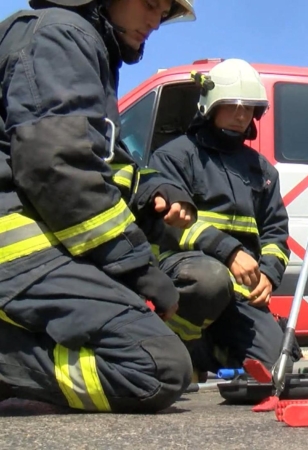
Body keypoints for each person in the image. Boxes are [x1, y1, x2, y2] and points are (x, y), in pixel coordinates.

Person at [0, 0, 198, 413]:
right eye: (149, 4)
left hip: (29, 243)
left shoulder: (77, 43)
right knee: (155, 369)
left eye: (163, 13)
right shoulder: (63, 36)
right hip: (14, 248)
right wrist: (136, 270)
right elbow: (59, 168)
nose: (154, 22)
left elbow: (104, 161)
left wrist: (154, 189)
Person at [148, 58, 292, 381]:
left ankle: (207, 351)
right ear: (210, 105)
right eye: (233, 106)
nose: (241, 115)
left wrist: (268, 274)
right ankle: (174, 347)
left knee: (273, 370)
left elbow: (276, 232)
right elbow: (169, 225)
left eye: (248, 108)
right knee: (211, 280)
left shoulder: (262, 171)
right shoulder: (174, 157)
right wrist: (229, 251)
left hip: (240, 292)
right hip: (188, 276)